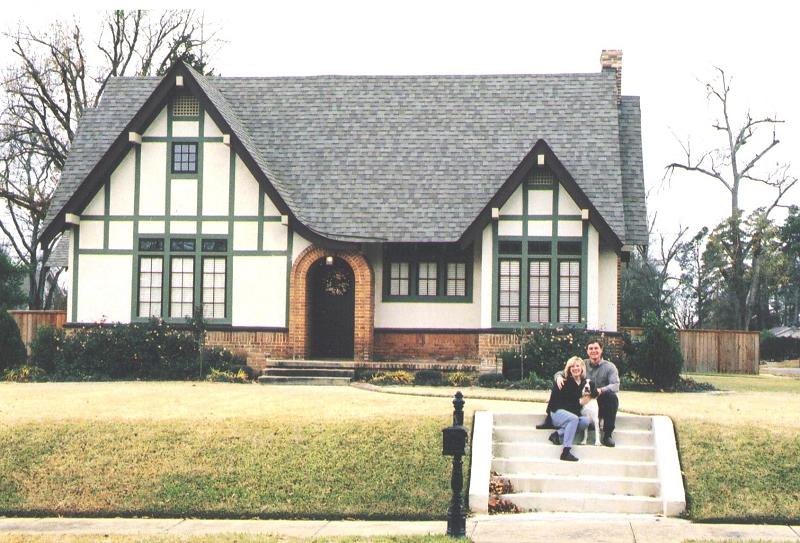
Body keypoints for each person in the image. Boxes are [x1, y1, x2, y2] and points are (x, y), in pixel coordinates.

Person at [536, 338, 620, 447]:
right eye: (590, 348)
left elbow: (615, 385)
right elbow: (563, 371)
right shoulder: (582, 364)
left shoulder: (610, 367)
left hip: (599, 398)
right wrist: (558, 377)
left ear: (601, 350)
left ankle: (607, 435)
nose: (593, 351)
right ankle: (551, 419)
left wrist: (601, 390)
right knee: (562, 389)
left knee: (611, 397)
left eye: (596, 348)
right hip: (582, 400)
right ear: (587, 351)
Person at [546, 356, 592, 462]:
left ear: (582, 368)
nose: (575, 368)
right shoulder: (563, 381)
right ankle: (565, 452)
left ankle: (557, 434)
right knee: (574, 419)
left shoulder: (584, 384)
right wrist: (579, 402)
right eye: (572, 366)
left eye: (577, 366)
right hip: (557, 412)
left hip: (572, 416)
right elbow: (556, 403)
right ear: (569, 369)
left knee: (585, 421)